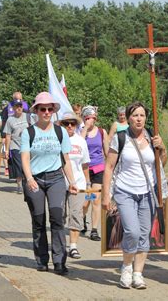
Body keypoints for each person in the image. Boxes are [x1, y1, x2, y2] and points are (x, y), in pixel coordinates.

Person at [101, 101, 167, 289]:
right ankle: (127, 266)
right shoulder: (120, 138)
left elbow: (162, 163)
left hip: (148, 192)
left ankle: (138, 274)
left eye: (142, 115)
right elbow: (109, 167)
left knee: (144, 233)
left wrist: (161, 147)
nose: (139, 119)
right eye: (135, 115)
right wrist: (106, 195)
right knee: (132, 230)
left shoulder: (152, 137)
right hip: (125, 191)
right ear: (128, 118)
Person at [20, 92, 77, 275]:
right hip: (35, 179)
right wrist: (29, 179)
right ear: (36, 110)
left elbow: (66, 159)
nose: (46, 112)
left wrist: (72, 181)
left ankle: (59, 261)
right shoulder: (28, 132)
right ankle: (42, 259)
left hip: (56, 179)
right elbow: (25, 157)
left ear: (53, 111)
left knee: (57, 218)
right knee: (38, 219)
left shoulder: (60, 132)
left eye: (49, 109)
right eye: (42, 109)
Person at [60, 112, 91, 259]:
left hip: (78, 183)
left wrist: (88, 184)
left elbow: (85, 165)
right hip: (59, 183)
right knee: (59, 215)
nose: (70, 126)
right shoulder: (57, 140)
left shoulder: (81, 141)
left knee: (76, 214)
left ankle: (73, 246)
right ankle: (59, 243)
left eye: (73, 123)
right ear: (62, 125)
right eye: (66, 124)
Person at [80, 105, 109, 241]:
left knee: (95, 200)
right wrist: (85, 128)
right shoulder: (80, 132)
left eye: (92, 118)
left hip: (98, 168)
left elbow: (108, 152)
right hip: (84, 170)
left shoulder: (102, 132)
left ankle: (94, 230)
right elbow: (79, 145)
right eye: (88, 118)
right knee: (85, 202)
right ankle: (83, 219)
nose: (91, 121)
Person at [4, 99, 30, 193]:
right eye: (17, 106)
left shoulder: (28, 117)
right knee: (19, 166)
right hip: (15, 146)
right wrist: (6, 150)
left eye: (20, 106)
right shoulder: (10, 119)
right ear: (13, 108)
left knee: (27, 165)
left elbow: (34, 129)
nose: (19, 108)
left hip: (27, 146)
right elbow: (8, 135)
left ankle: (27, 183)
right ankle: (20, 185)